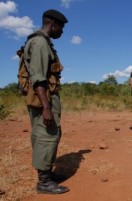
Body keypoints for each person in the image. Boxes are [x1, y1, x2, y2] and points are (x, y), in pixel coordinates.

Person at [23, 9, 69, 194]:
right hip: (44, 99)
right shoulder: (41, 43)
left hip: (44, 99)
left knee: (48, 135)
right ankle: (43, 182)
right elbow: (38, 78)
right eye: (61, 27)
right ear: (52, 24)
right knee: (46, 136)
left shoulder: (40, 41)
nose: (62, 32)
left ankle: (47, 174)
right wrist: (46, 107)